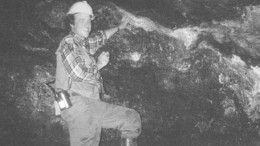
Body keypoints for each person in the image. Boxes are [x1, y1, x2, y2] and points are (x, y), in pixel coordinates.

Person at [54, 1, 141, 146]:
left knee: (131, 119)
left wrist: (119, 27)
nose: (87, 25)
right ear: (72, 25)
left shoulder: (83, 45)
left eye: (89, 21)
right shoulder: (68, 43)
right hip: (76, 103)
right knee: (88, 140)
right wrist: (99, 64)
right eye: (82, 21)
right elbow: (78, 73)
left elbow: (99, 38)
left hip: (93, 104)